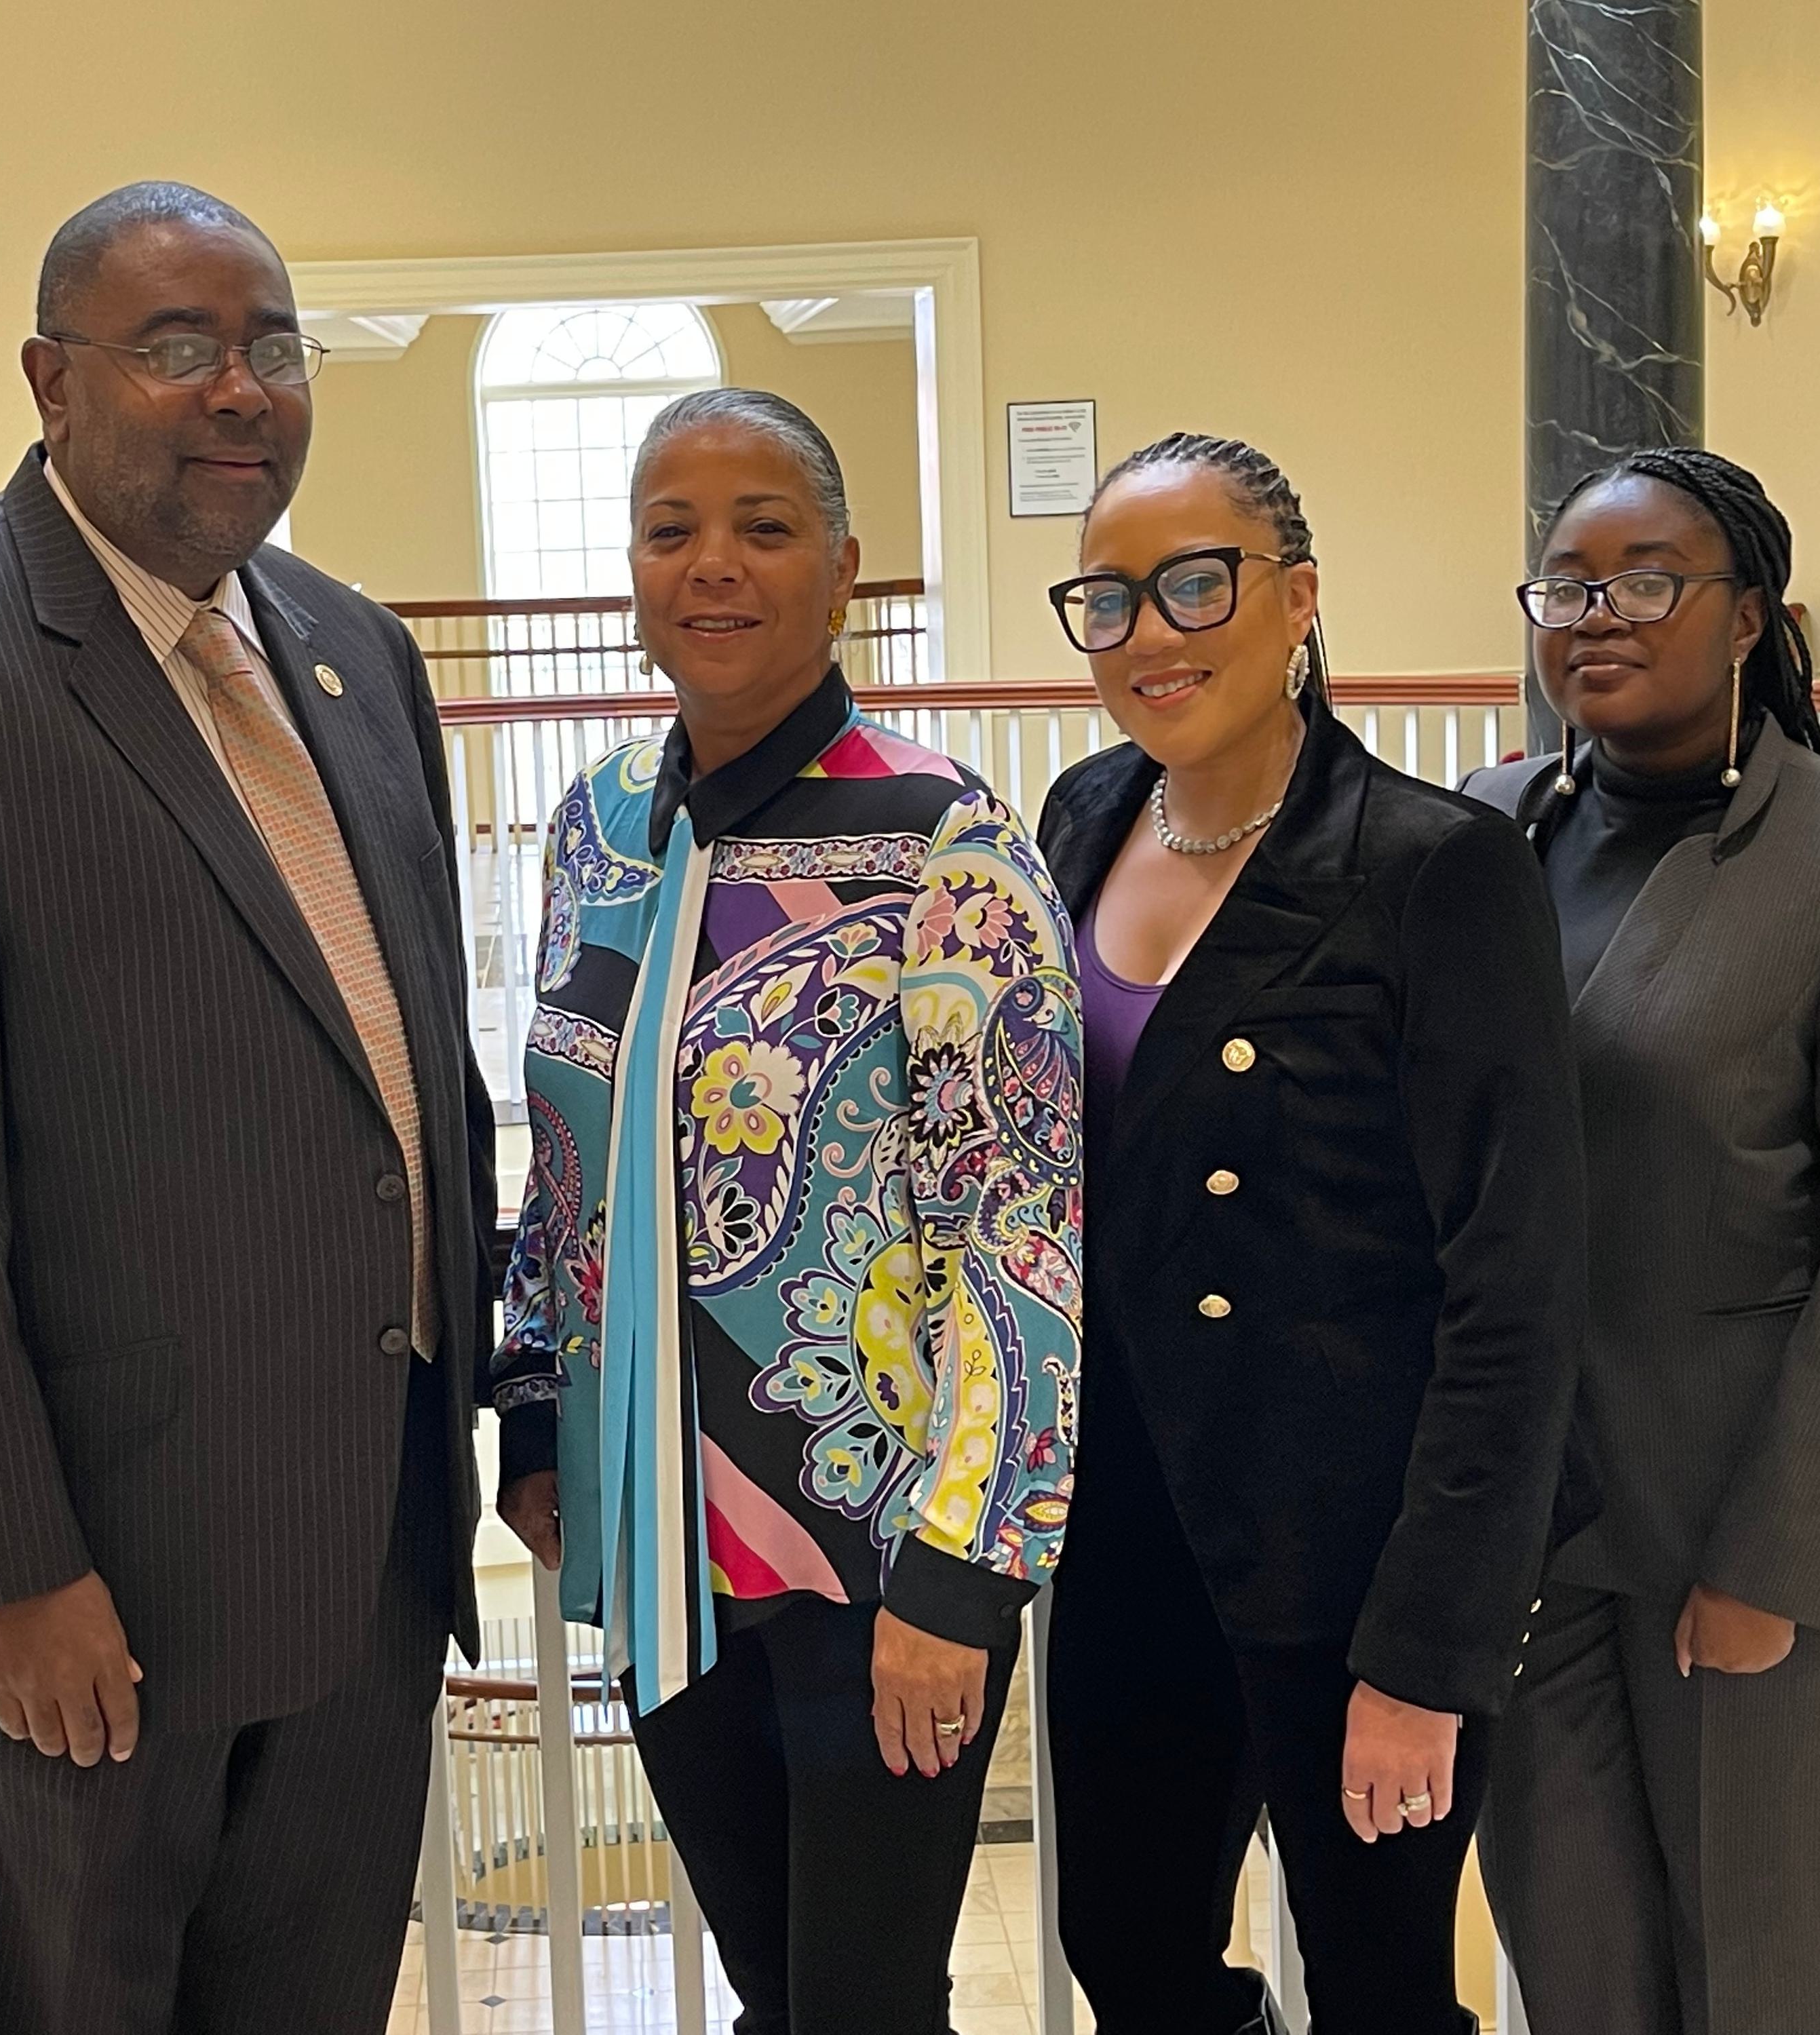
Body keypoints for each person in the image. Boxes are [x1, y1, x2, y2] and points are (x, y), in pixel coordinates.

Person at [0, 181, 495, 2035]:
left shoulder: (353, 655)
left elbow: (409, 1076)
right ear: (50, 382)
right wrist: (5, 1571)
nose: (240, 389)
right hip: (77, 1609)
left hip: (355, 1568)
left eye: (273, 346)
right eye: (175, 350)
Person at [491, 387, 1081, 2035]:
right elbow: (563, 1161)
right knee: (783, 1990)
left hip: (875, 1550)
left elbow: (1017, 1239)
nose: (712, 566)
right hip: (655, 1539)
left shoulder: (942, 841)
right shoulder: (596, 825)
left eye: (761, 527)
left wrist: (962, 1581)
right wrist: (533, 1408)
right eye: (670, 529)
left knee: (863, 2004)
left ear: (842, 569)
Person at [1034, 433, 1585, 2034]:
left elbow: (1513, 1281)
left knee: (1377, 1983)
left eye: (1196, 581)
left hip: (1353, 1554)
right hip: (1127, 1523)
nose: (1151, 632)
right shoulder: (1079, 817)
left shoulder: (1432, 866)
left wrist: (1427, 1654)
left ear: (1296, 602)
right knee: (1121, 1949)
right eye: (1110, 599)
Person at [1466, 447, 1820, 2035]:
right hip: (1534, 1522)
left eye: (1645, 580)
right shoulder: (1492, 827)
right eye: (1567, 585)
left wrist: (1772, 1563)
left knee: (1752, 1975)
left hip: (1754, 1513)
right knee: (1576, 1965)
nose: (1595, 615)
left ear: (1748, 612)